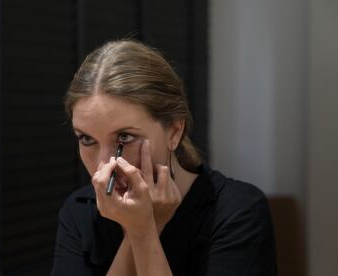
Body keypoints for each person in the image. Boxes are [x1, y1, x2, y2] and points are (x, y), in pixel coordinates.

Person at [51, 39, 277, 276]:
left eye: (125, 137)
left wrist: (142, 231)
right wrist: (142, 228)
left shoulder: (238, 210)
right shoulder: (79, 212)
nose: (103, 164)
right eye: (87, 139)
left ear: (174, 131)